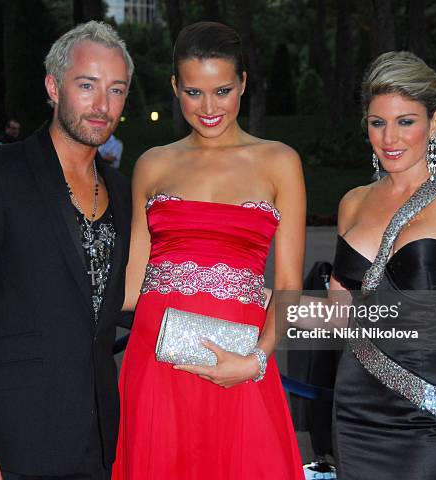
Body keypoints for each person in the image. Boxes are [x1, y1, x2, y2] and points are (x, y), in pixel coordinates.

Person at [0, 21, 133, 480]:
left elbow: (120, 302)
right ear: (53, 87)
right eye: (87, 85)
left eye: (116, 90)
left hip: (100, 439)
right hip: (10, 440)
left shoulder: (122, 192)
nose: (102, 105)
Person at [113, 21, 306, 480]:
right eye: (194, 92)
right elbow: (130, 290)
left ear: (242, 82)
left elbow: (288, 285)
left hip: (241, 364)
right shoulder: (153, 164)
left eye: (222, 90)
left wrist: (257, 359)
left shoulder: (279, 161)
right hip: (156, 364)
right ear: (175, 87)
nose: (209, 107)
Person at [330, 51, 436, 480]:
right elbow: (341, 315)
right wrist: (273, 303)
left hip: (430, 417)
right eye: (377, 122)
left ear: (435, 123)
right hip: (353, 411)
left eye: (406, 121)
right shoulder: (352, 203)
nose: (390, 137)